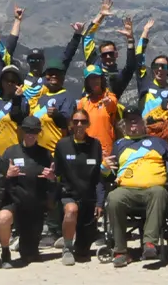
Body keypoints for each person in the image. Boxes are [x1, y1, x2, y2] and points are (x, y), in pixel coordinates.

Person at [105, 109, 168, 267]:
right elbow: (109, 176)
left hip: (153, 190)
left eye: (136, 120)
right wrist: (104, 168)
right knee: (114, 198)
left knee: (159, 192)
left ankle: (149, 244)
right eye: (129, 121)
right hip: (126, 190)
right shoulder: (118, 145)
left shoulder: (157, 142)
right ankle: (120, 251)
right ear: (124, 125)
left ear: (143, 124)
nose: (132, 123)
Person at [0, 114, 57, 267]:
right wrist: (7, 174)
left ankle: (28, 248)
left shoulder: (45, 154)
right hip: (14, 201)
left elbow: (53, 182)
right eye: (27, 131)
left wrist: (52, 178)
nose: (31, 134)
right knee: (4, 218)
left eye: (34, 131)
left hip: (36, 202)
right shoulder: (10, 152)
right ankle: (5, 251)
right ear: (21, 132)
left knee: (30, 254)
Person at [51, 109, 103, 266]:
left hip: (88, 198)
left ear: (88, 124)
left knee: (83, 252)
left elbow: (99, 176)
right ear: (71, 124)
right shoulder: (62, 145)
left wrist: (99, 202)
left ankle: (76, 239)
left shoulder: (95, 144)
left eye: (83, 121)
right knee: (71, 210)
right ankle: (67, 247)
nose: (79, 125)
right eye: (75, 121)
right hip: (69, 195)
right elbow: (57, 174)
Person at [138, 54, 168, 147]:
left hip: (164, 138)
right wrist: (142, 41)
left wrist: (166, 103)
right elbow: (138, 60)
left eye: (163, 67)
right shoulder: (145, 86)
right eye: (156, 66)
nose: (159, 69)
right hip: (144, 135)